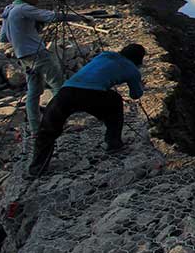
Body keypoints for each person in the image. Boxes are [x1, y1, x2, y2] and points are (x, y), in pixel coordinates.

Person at [27, 44, 146, 178]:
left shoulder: (104, 55)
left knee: (47, 129)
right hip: (93, 94)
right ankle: (114, 143)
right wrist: (139, 83)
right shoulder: (132, 69)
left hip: (66, 91)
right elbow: (136, 95)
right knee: (115, 102)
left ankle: (37, 168)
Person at [0, 0, 76, 133]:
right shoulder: (23, 9)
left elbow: (3, 37)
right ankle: (58, 123)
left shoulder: (8, 10)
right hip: (36, 53)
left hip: (22, 56)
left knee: (34, 92)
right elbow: (53, 16)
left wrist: (27, 30)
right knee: (59, 86)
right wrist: (81, 18)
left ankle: (35, 128)